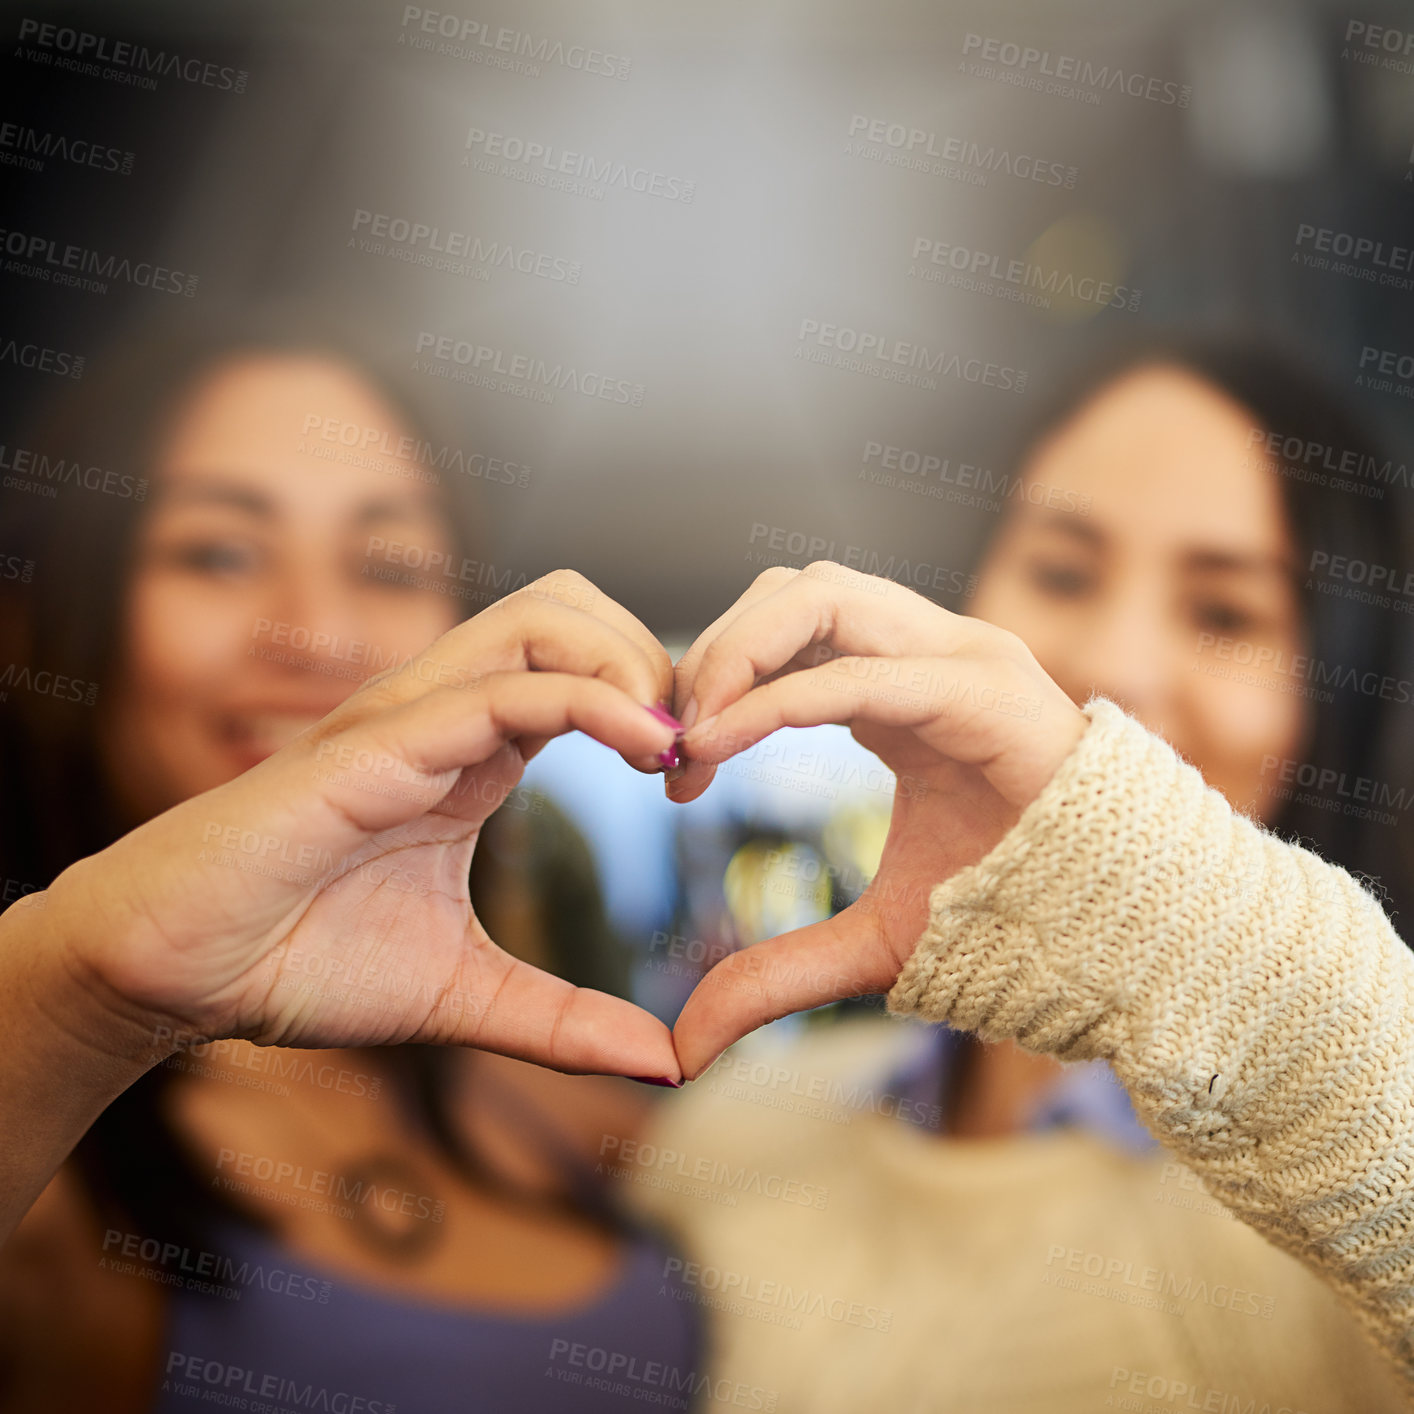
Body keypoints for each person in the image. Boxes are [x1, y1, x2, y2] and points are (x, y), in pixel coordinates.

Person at [635, 339, 1414, 1410]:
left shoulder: (1346, 1257)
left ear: (1336, 702)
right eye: (1061, 571)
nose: (1119, 668)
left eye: (1224, 612)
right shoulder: (748, 1128)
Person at [0, 310, 703, 1413]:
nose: (315, 636)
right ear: (52, 623)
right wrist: (78, 988)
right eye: (219, 551)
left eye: (386, 563)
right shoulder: (44, 1137)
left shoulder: (569, 1108)